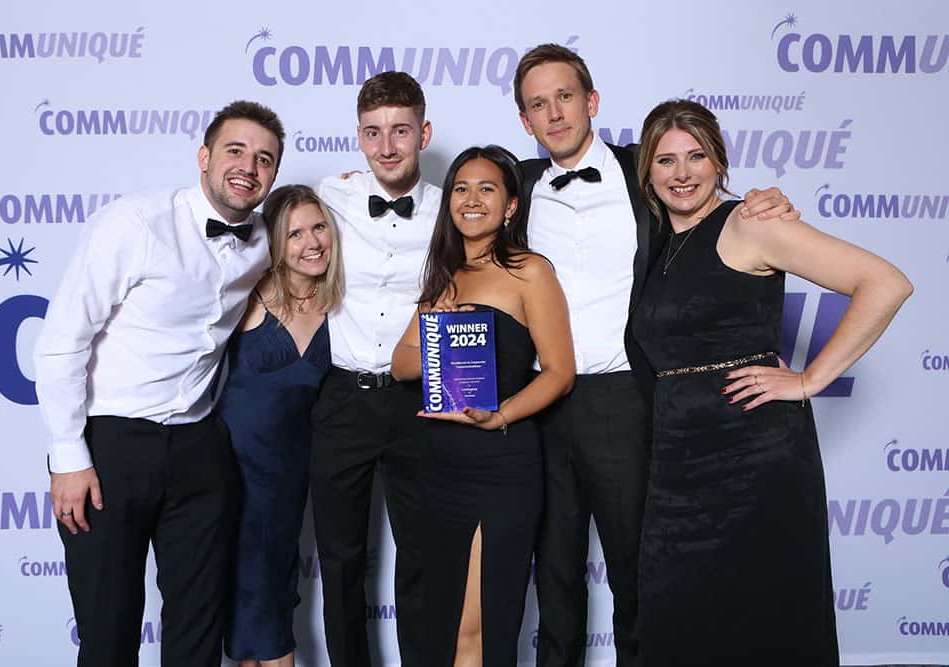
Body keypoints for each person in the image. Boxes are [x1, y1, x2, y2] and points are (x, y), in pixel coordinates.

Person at [511, 43, 799, 667]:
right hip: (540, 403)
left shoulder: (647, 170)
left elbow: (708, 198)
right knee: (554, 574)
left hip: (625, 400)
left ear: (591, 101)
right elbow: (463, 216)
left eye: (565, 97)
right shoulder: (519, 185)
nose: (554, 113)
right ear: (525, 120)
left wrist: (767, 201)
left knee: (636, 573)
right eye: (538, 104)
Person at [631, 98, 912, 665]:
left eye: (696, 156)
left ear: (719, 162)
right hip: (679, 464)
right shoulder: (660, 242)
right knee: (678, 620)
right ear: (647, 172)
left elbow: (885, 282)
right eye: (665, 160)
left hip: (755, 459)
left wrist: (809, 379)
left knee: (765, 612)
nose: (682, 172)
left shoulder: (750, 223)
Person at [33, 100, 284, 667]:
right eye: (235, 151)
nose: (248, 167)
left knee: (199, 630)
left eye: (264, 159)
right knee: (108, 630)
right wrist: (68, 455)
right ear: (204, 157)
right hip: (111, 445)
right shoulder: (135, 224)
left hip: (200, 447)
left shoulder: (265, 240)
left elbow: (319, 238)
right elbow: (62, 340)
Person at [391, 145, 575, 666]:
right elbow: (401, 364)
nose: (471, 200)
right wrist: (443, 339)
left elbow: (559, 373)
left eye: (486, 189)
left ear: (511, 205)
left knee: (477, 627)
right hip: (434, 466)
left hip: (499, 465)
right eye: (461, 189)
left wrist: (501, 416)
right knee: (437, 625)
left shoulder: (530, 272)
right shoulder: (444, 275)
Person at [310, 71, 437, 667]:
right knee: (339, 559)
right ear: (359, 136)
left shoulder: (451, 208)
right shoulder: (328, 197)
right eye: (373, 132)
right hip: (342, 398)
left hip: (418, 397)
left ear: (423, 134)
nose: (386, 146)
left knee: (422, 555)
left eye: (400, 131)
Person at [217, 185, 343, 667]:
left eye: (318, 227)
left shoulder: (341, 306)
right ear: (274, 242)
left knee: (268, 589)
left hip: (290, 477)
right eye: (295, 234)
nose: (311, 242)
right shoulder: (247, 296)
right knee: (246, 595)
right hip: (231, 473)